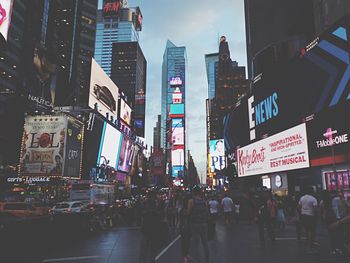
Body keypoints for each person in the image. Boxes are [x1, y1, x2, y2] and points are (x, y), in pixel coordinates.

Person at [187, 186, 209, 263]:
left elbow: (188, 213)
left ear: (193, 192)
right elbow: (206, 212)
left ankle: (197, 260)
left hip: (195, 224)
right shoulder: (204, 201)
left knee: (195, 243)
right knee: (205, 243)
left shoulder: (191, 201)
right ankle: (207, 259)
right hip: (204, 223)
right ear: (200, 192)